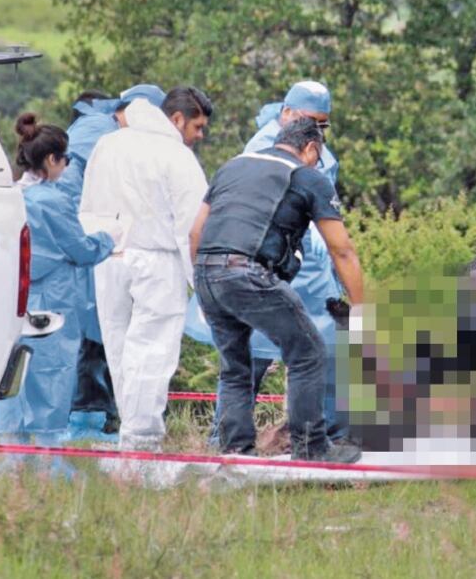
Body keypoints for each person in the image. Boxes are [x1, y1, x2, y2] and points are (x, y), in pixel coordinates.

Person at [189, 117, 364, 463]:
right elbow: (342, 250)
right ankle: (312, 449)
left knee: (235, 365)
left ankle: (235, 449)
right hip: (249, 273)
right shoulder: (307, 176)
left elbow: (196, 232)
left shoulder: (232, 166)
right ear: (311, 148)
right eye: (318, 156)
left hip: (206, 272)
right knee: (309, 351)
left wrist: (205, 278)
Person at [0, 113, 116, 471]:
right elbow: (81, 249)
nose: (66, 165)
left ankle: (12, 457)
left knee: (11, 373)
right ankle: (49, 459)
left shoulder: (6, 197)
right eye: (65, 159)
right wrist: (109, 238)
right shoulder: (53, 202)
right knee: (51, 374)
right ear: (52, 160)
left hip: (9, 299)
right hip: (52, 301)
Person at [80, 91, 208, 451]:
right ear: (177, 119)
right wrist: (199, 281)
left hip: (110, 257)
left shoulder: (108, 145)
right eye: (197, 126)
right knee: (152, 351)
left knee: (120, 351)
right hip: (157, 259)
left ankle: (130, 438)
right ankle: (142, 444)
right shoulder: (176, 155)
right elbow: (192, 225)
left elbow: (88, 205)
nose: (199, 135)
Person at [61, 84, 169, 438]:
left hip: (97, 239)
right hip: (87, 239)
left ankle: (96, 412)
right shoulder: (101, 132)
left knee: (102, 327)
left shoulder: (103, 130)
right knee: (95, 329)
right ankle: (87, 414)